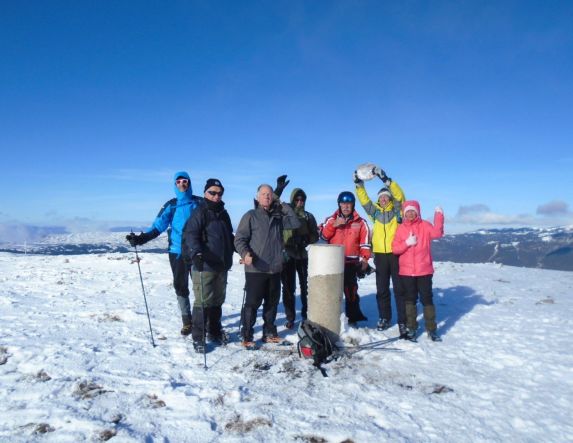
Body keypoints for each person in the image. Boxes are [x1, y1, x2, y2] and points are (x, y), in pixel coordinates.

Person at [126, 171, 202, 335]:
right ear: (175, 185)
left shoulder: (200, 203)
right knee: (181, 287)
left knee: (200, 287)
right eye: (179, 182)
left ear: (189, 183)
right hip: (177, 252)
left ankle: (202, 320)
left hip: (197, 252)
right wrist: (141, 239)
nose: (182, 184)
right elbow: (158, 226)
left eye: (185, 181)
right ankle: (187, 321)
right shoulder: (171, 205)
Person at [234, 182, 301, 349]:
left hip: (274, 267)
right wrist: (245, 254)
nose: (267, 196)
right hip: (256, 268)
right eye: (263, 194)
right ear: (258, 197)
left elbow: (295, 223)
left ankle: (269, 333)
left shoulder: (279, 217)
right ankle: (247, 334)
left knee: (271, 303)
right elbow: (239, 238)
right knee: (252, 303)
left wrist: (283, 206)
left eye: (270, 194)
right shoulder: (250, 215)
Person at [182, 178, 234, 353]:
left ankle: (214, 331)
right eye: (212, 192)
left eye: (219, 193)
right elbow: (191, 235)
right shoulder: (200, 212)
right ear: (205, 193)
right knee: (203, 302)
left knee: (217, 301)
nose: (216, 196)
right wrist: (196, 253)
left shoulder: (223, 213)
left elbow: (229, 238)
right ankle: (198, 337)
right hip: (204, 264)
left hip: (221, 264)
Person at [354, 166, 407, 337]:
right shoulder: (375, 212)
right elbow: (364, 200)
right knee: (382, 289)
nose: (383, 199)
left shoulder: (397, 211)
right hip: (380, 256)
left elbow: (400, 196)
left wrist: (386, 180)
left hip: (396, 254)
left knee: (399, 290)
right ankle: (384, 317)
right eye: (381, 197)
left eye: (386, 197)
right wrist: (359, 184)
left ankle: (403, 321)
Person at [391, 200, 444, 341]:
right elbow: (395, 249)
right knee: (410, 300)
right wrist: (407, 243)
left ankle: (432, 329)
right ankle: (412, 328)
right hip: (406, 272)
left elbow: (437, 233)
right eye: (407, 211)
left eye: (413, 211)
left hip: (424, 270)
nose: (410, 213)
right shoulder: (401, 229)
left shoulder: (425, 226)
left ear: (417, 212)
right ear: (404, 213)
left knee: (427, 299)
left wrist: (438, 216)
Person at [320, 191, 371, 325]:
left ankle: (352, 319)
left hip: (351, 263)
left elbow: (365, 243)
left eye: (349, 204)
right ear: (339, 205)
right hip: (333, 263)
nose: (346, 207)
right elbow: (323, 237)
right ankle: (330, 320)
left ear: (353, 205)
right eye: (343, 204)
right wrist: (334, 225)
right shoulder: (331, 220)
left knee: (351, 292)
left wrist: (365, 259)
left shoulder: (361, 222)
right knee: (332, 293)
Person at [280, 187, 319, 328]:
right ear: (292, 200)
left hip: (302, 255)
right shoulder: (284, 214)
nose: (300, 202)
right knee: (289, 288)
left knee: (305, 287)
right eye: (297, 199)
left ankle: (306, 313)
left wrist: (306, 239)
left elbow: (315, 234)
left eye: (302, 199)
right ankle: (290, 317)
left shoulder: (308, 216)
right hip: (287, 255)